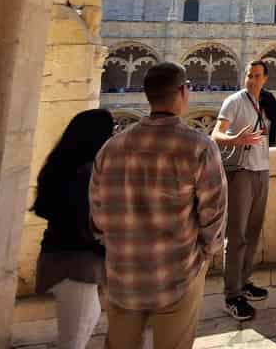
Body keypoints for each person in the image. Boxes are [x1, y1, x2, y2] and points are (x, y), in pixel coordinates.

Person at [90, 62, 227, 349]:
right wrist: (204, 254)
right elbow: (213, 213)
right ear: (182, 92)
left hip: (122, 270)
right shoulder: (199, 147)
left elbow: (98, 215)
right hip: (177, 271)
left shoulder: (111, 148)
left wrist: (116, 247)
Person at [32, 109, 114, 349]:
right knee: (74, 337)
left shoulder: (62, 167)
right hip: (75, 262)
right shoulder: (86, 174)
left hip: (61, 255)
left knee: (87, 318)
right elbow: (85, 223)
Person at [211, 60, 276, 320]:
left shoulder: (267, 103)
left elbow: (271, 137)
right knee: (237, 235)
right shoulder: (235, 101)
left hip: (262, 170)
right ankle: (232, 294)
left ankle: (244, 282)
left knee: (253, 233)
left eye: (257, 76)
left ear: (265, 78)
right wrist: (235, 139)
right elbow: (216, 134)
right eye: (249, 75)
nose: (252, 80)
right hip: (240, 172)